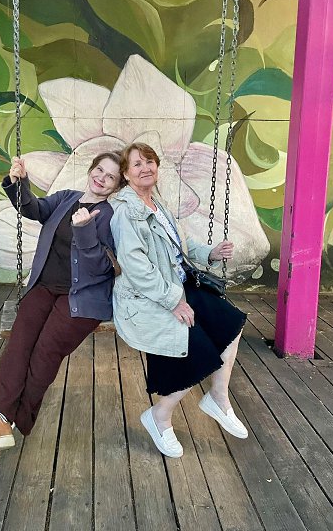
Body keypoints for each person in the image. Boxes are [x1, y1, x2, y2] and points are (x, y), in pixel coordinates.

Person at [0, 151, 123, 469]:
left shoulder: (109, 215)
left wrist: (85, 230)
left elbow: (102, 268)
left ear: (117, 185)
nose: (102, 178)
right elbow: (34, 209)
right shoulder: (67, 198)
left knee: (44, 353)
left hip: (82, 298)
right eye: (99, 169)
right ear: (91, 169)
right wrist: (19, 182)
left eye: (110, 176)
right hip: (44, 287)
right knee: (19, 345)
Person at [110, 142, 248, 459]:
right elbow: (136, 268)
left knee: (231, 324)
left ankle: (218, 397)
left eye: (149, 161)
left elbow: (179, 245)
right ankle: (159, 417)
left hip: (177, 284)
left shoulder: (156, 203)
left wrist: (211, 253)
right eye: (136, 164)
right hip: (148, 297)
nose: (145, 168)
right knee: (198, 350)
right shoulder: (127, 212)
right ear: (126, 174)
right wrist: (174, 301)